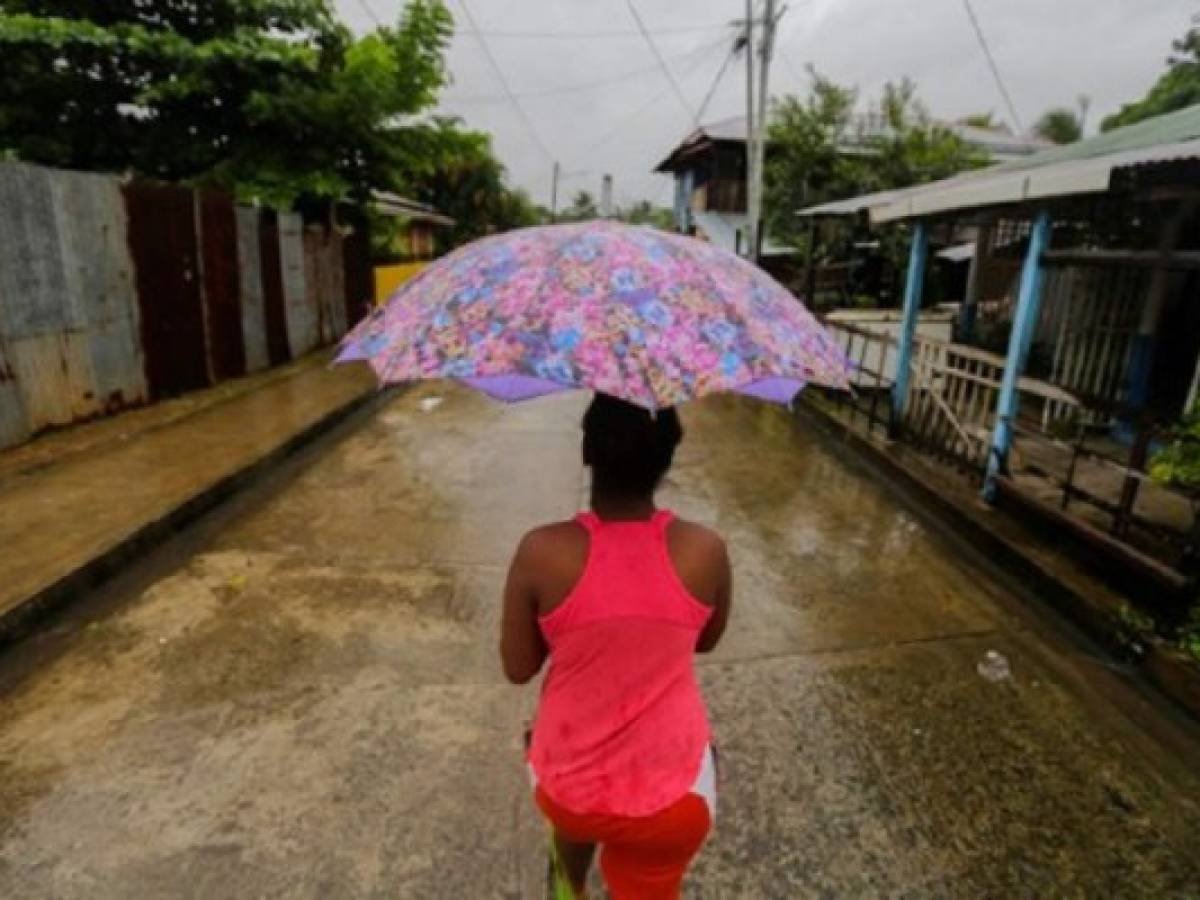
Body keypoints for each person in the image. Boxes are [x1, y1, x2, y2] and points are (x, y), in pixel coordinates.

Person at [501, 393, 733, 899]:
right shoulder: (705, 550)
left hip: (568, 786)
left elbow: (518, 667)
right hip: (671, 804)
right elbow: (708, 639)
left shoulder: (542, 551)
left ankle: (569, 882)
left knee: (573, 811)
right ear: (668, 458)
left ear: (586, 451)